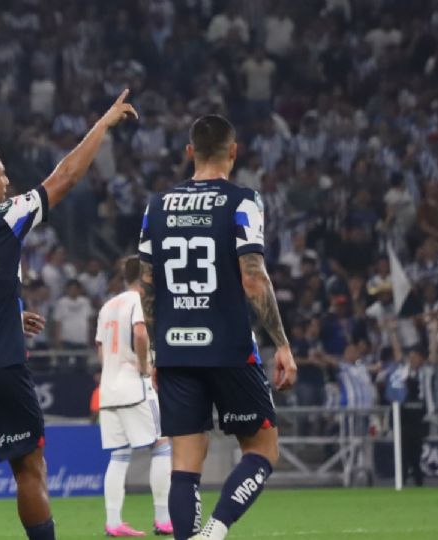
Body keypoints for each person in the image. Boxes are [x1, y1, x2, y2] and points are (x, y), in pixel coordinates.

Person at [0, 90, 137, 540]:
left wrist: (10, 314)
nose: (10, 184)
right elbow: (66, 176)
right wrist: (104, 123)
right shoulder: (3, 217)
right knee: (30, 469)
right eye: (4, 177)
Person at [138, 115, 297, 540]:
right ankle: (217, 528)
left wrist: (156, 351)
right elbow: (253, 276)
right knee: (263, 449)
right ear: (234, 151)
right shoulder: (244, 201)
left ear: (189, 152)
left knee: (185, 461)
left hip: (175, 349)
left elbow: (147, 285)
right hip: (228, 346)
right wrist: (281, 343)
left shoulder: (156, 206)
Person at [95, 256, 172, 537]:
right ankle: (163, 519)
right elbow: (140, 334)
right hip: (134, 386)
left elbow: (100, 349)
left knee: (119, 455)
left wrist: (112, 371)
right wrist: (143, 367)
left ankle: (113, 522)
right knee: (162, 444)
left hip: (109, 389)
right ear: (144, 277)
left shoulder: (107, 306)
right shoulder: (136, 302)